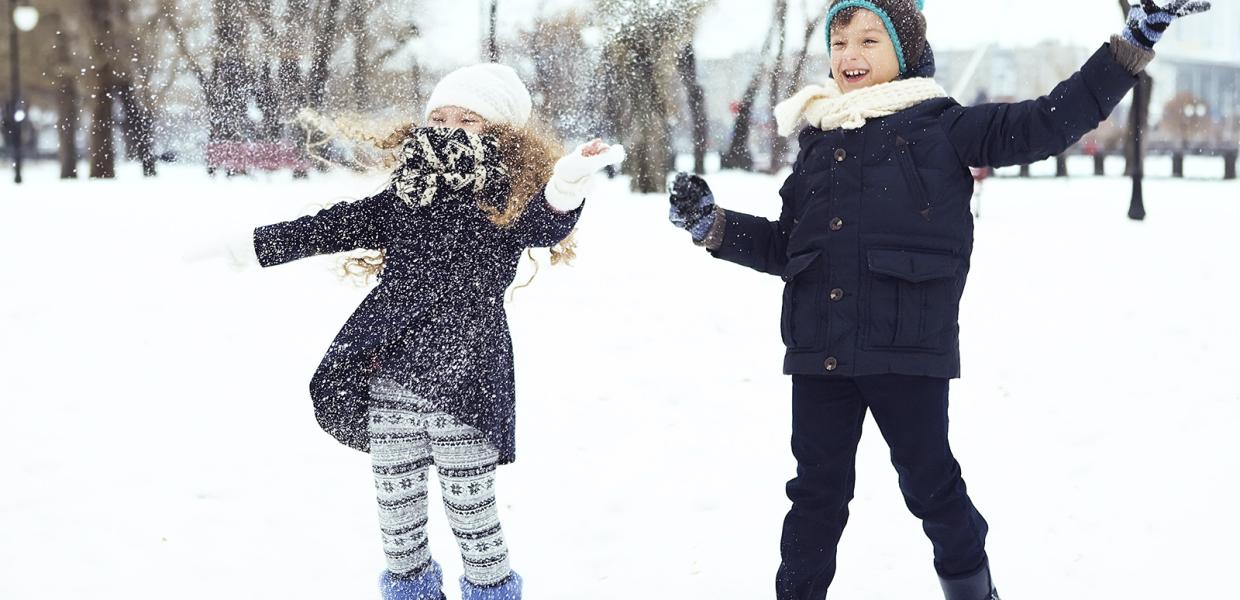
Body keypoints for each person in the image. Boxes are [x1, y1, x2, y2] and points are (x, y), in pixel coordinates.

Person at [666, 1, 1210, 599]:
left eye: (870, 41)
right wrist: (713, 225)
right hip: (819, 349)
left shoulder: (945, 128)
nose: (850, 55)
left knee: (932, 489)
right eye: (841, 42)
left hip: (906, 348)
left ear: (903, 50)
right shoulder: (819, 141)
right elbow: (788, 246)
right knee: (815, 499)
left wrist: (1135, 40)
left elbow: (1050, 121)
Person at [204, 63, 624, 600]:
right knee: (397, 525)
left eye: (468, 119)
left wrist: (566, 182)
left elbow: (547, 221)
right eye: (439, 116)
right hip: (391, 378)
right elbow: (331, 227)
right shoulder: (405, 198)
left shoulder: (505, 198)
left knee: (473, 518)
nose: (448, 128)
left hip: (467, 383)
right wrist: (251, 246)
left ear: (502, 132)